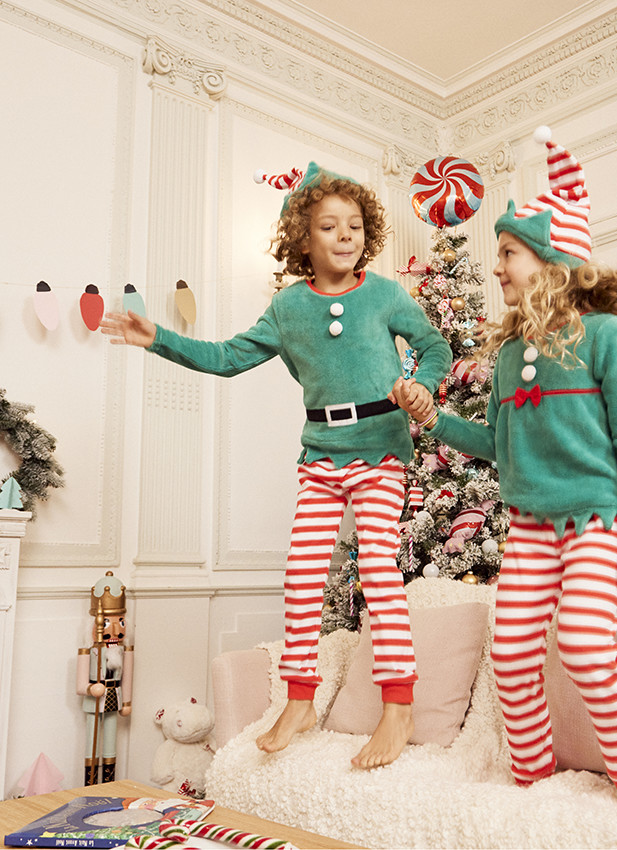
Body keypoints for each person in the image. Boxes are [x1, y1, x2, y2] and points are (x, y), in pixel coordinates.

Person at [101, 162, 451, 768]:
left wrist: (422, 385)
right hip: (321, 454)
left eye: (355, 224)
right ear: (303, 239)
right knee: (301, 574)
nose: (346, 235)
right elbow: (227, 357)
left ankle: (398, 707)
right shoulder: (289, 308)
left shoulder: (385, 295)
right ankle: (300, 699)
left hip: (381, 449)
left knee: (378, 567)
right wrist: (157, 338)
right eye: (330, 226)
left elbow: (435, 346)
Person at [391, 127, 617, 805]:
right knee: (513, 653)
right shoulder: (509, 353)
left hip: (595, 522)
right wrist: (434, 419)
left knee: (583, 643)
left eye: (508, 253)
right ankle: (533, 783)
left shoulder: (602, 336)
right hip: (529, 527)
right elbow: (499, 443)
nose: (497, 268)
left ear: (550, 261)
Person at [77, 571, 133, 785]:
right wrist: (90, 688)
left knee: (110, 744)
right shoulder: (89, 652)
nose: (115, 631)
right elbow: (80, 683)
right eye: (108, 622)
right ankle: (90, 785)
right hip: (95, 699)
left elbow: (127, 677)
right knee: (92, 743)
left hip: (113, 697)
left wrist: (126, 702)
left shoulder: (123, 651)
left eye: (120, 622)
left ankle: (109, 784)